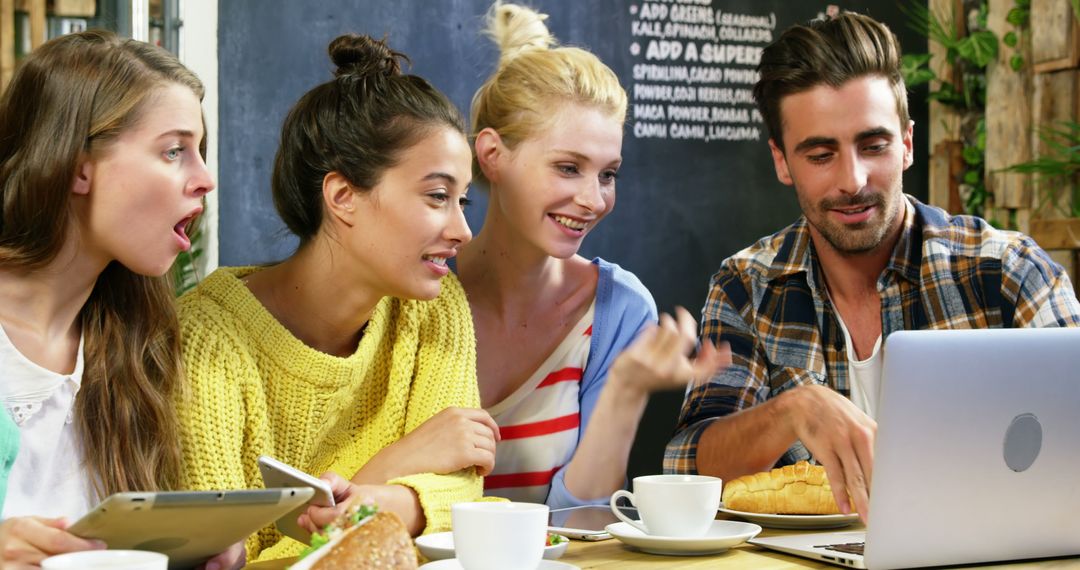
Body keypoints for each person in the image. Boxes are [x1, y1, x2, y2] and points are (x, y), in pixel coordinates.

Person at [664, 11, 1080, 523]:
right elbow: (690, 466)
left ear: (906, 142)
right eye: (820, 155)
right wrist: (796, 409)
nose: (853, 180)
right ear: (781, 161)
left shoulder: (1007, 271)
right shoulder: (747, 285)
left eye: (873, 145)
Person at [176, 33, 494, 562]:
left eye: (462, 200)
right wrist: (395, 466)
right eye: (438, 196)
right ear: (343, 197)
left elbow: (463, 491)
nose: (463, 230)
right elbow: (231, 560)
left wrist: (369, 502)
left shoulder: (435, 310)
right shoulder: (206, 340)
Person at [454, 3, 730, 509]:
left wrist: (626, 392)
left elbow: (585, 528)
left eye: (607, 174)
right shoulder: (415, 289)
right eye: (567, 168)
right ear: (492, 155)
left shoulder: (618, 309)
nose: (594, 199)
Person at [0, 31, 236, 568]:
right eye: (174, 150)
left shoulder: (133, 340)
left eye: (199, 152)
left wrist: (182, 547)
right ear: (77, 164)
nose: (205, 179)